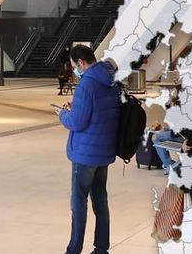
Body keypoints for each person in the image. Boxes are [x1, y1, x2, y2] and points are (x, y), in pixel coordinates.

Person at [55, 45, 121, 254]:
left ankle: (74, 249)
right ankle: (101, 248)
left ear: (81, 62)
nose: (75, 70)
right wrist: (75, 107)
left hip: (85, 153)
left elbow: (77, 122)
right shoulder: (111, 80)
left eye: (75, 66)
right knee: (100, 200)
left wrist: (62, 115)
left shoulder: (87, 83)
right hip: (103, 151)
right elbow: (100, 112)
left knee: (78, 202)